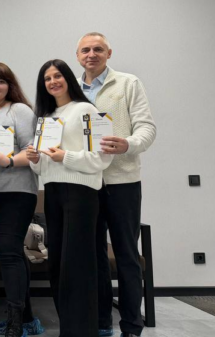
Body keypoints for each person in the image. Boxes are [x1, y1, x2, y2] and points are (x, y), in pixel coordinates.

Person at [76, 33, 156, 337]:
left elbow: (147, 128)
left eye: (98, 49)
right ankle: (101, 323)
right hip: (86, 183)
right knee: (94, 257)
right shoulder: (72, 90)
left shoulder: (128, 83)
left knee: (126, 255)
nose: (91, 54)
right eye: (85, 50)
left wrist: (128, 144)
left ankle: (132, 327)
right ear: (77, 55)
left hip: (122, 182)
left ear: (109, 53)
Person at [26, 59, 113, 337]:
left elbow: (103, 158)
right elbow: (43, 168)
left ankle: (82, 331)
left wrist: (66, 156)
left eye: (58, 76)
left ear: (68, 79)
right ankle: (69, 327)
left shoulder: (87, 109)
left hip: (81, 192)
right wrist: (35, 159)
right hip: (53, 192)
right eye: (47, 78)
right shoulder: (45, 117)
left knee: (78, 264)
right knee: (58, 265)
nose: (53, 82)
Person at [0, 63, 45, 337]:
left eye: (0, 81)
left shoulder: (19, 111)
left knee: (8, 254)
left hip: (17, 192)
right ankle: (27, 320)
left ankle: (16, 324)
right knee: (13, 253)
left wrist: (9, 161)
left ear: (9, 85)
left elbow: (34, 151)